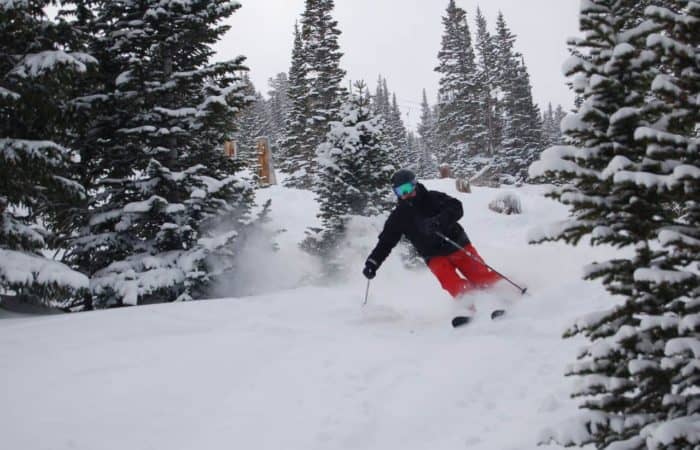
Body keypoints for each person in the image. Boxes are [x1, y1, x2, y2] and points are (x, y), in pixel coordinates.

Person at [362, 169, 501, 305]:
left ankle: (503, 294)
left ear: (414, 184)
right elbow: (386, 241)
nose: (405, 194)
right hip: (433, 256)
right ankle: (469, 305)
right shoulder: (399, 216)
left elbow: (457, 207)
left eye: (407, 188)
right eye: (400, 191)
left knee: (480, 276)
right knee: (451, 282)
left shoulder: (433, 198)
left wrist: (439, 221)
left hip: (457, 244)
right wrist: (373, 262)